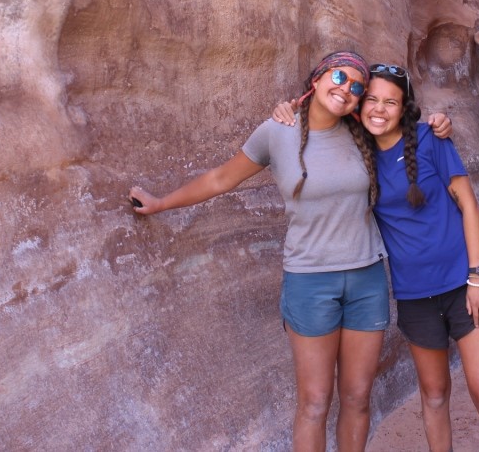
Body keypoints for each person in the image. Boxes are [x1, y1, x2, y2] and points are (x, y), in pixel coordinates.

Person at [129, 51, 451, 452]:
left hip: (367, 279)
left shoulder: (360, 132)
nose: (346, 89)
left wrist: (436, 119)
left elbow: (399, 123)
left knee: (357, 399)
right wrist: (161, 203)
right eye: (339, 76)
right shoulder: (276, 132)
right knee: (315, 403)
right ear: (316, 79)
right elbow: (220, 179)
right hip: (310, 282)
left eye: (356, 87)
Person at [273, 64, 479, 452]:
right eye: (372, 100)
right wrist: (288, 108)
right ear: (360, 105)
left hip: (464, 286)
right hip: (414, 295)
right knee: (434, 394)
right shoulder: (357, 150)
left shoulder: (431, 140)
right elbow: (317, 116)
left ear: (404, 109)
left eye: (391, 102)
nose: (380, 110)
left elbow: (469, 206)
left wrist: (478, 277)